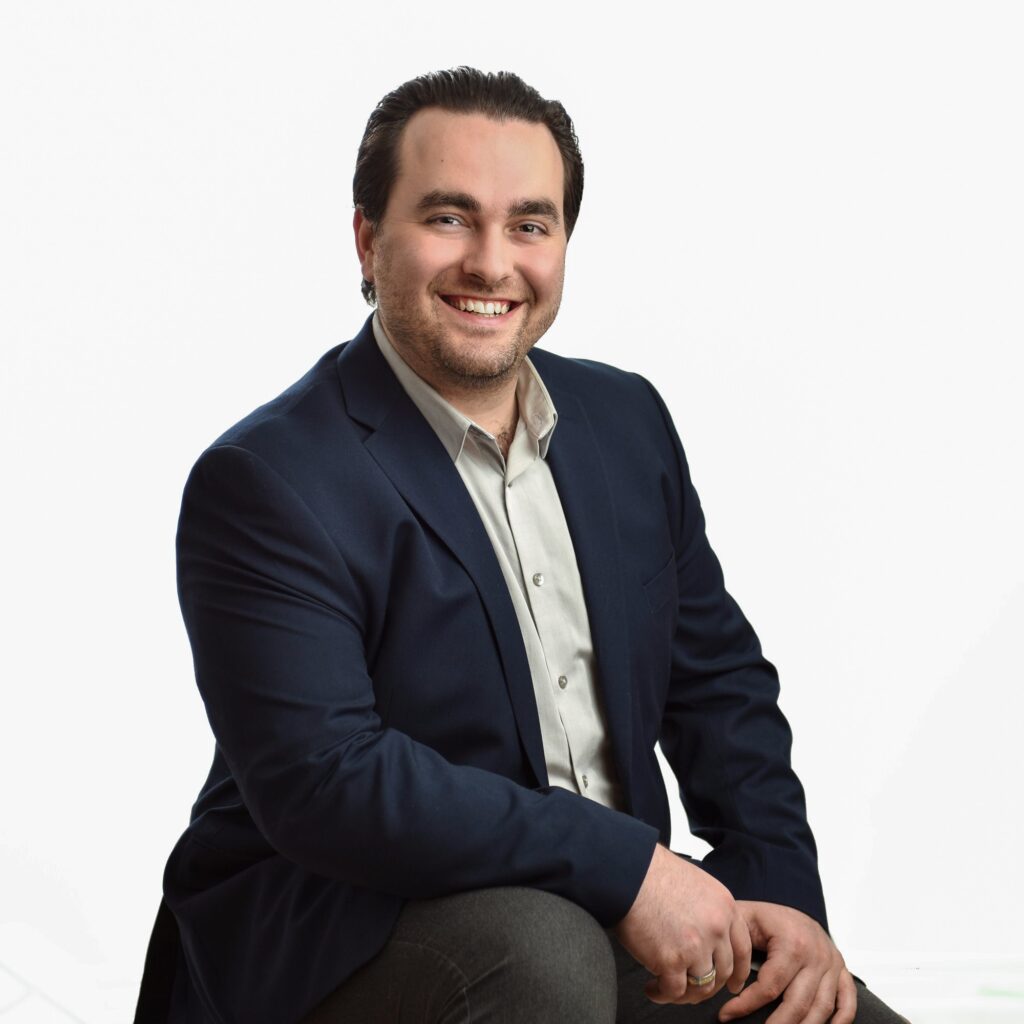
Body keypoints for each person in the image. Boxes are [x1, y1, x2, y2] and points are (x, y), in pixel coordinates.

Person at [135, 68, 905, 1024]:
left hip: (603, 915)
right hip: (344, 932)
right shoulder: (270, 479)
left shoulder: (625, 421)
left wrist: (782, 895)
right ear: (369, 240)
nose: (492, 263)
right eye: (449, 218)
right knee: (543, 955)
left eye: (530, 225)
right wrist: (628, 868)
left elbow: (720, 689)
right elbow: (328, 780)